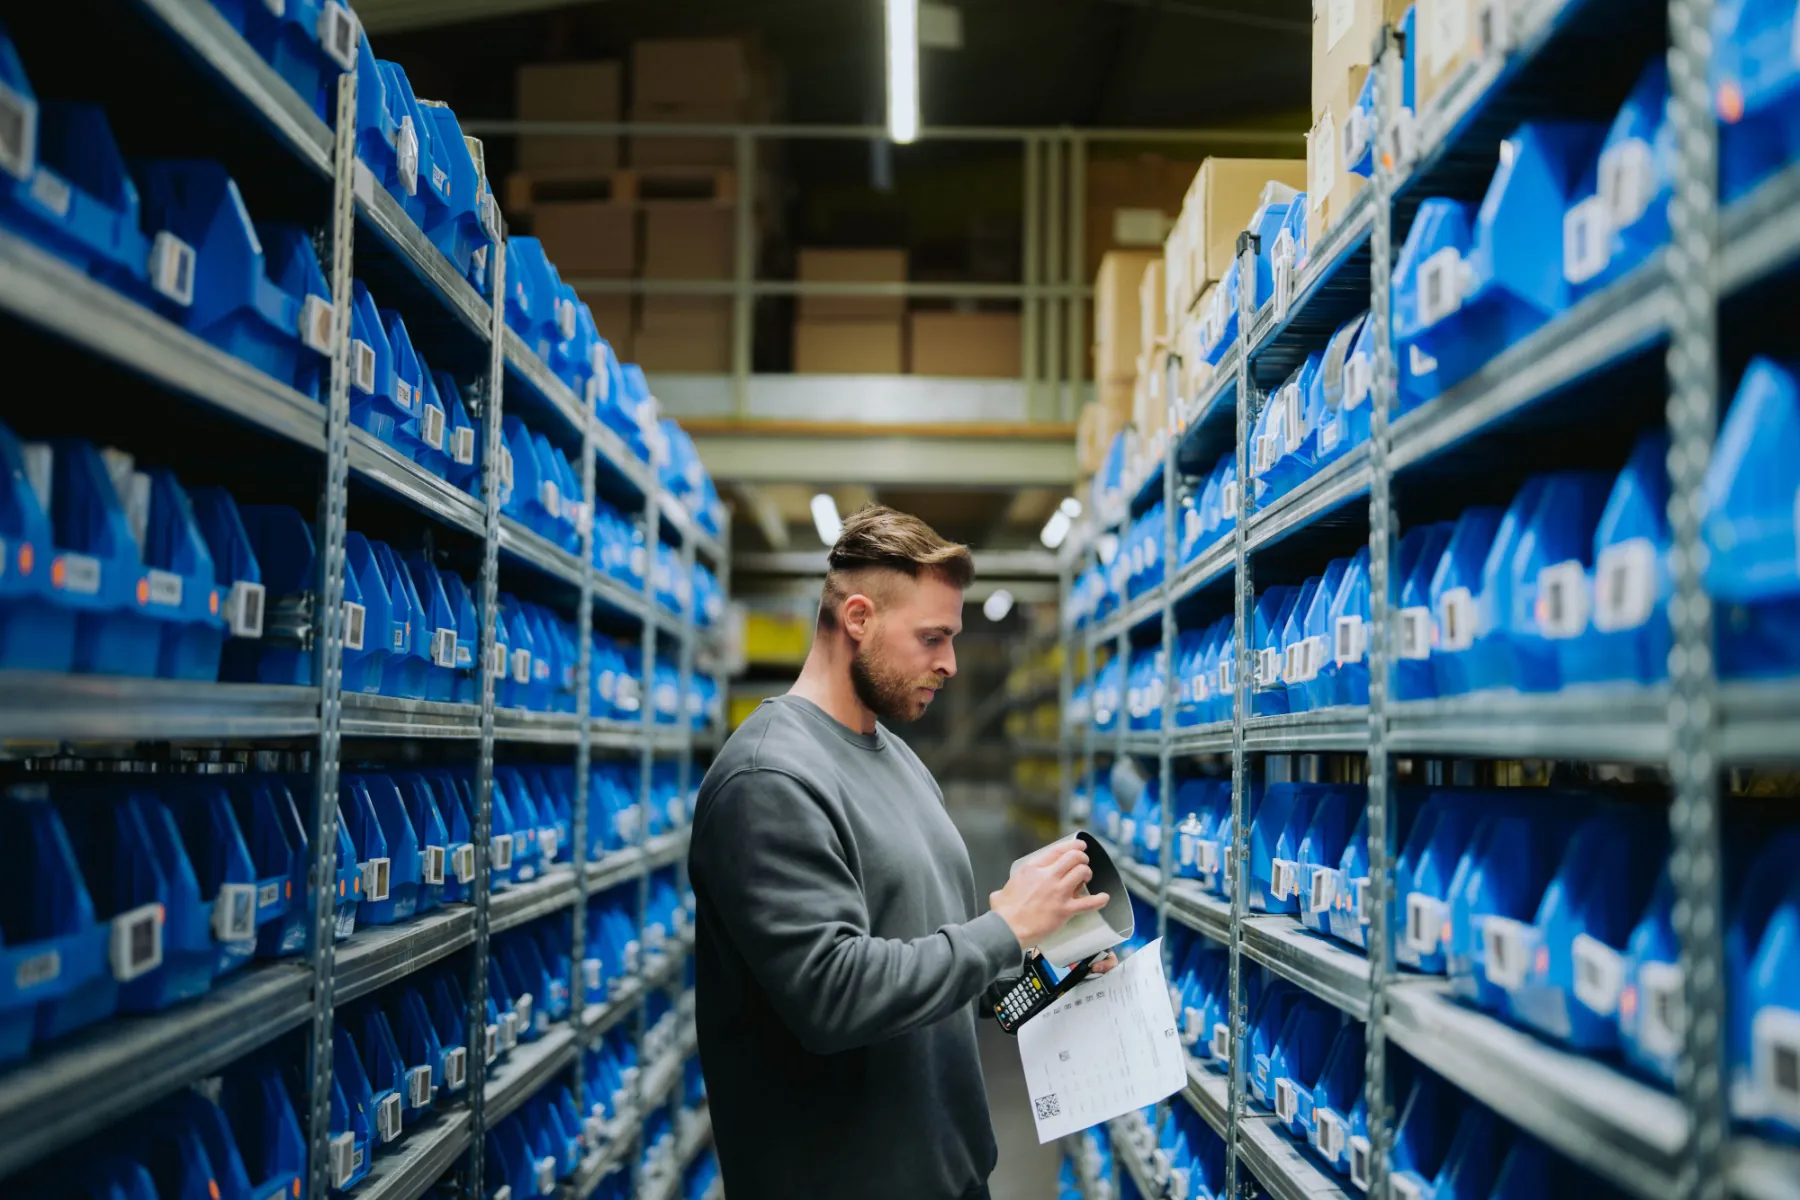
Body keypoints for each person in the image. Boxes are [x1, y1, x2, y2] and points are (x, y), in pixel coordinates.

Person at [688, 504, 1112, 1200]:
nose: (948, 663)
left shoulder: (903, 762)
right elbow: (833, 996)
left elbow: (938, 978)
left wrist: (1047, 971)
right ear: (858, 618)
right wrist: (1003, 929)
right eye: (932, 638)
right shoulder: (768, 780)